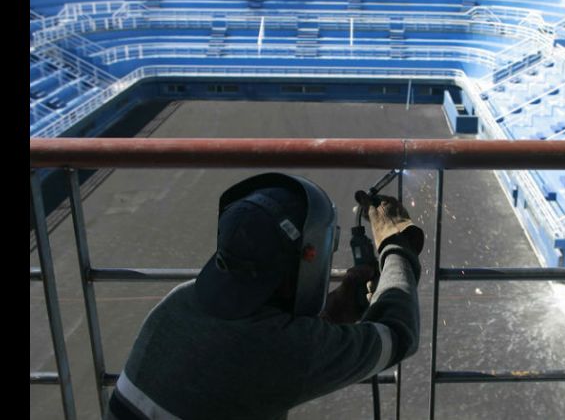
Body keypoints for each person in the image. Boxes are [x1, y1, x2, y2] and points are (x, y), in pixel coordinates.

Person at [106, 172, 424, 420]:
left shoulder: (181, 300)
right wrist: (396, 246)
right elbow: (398, 334)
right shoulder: (280, 349)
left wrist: (337, 308)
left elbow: (262, 350)